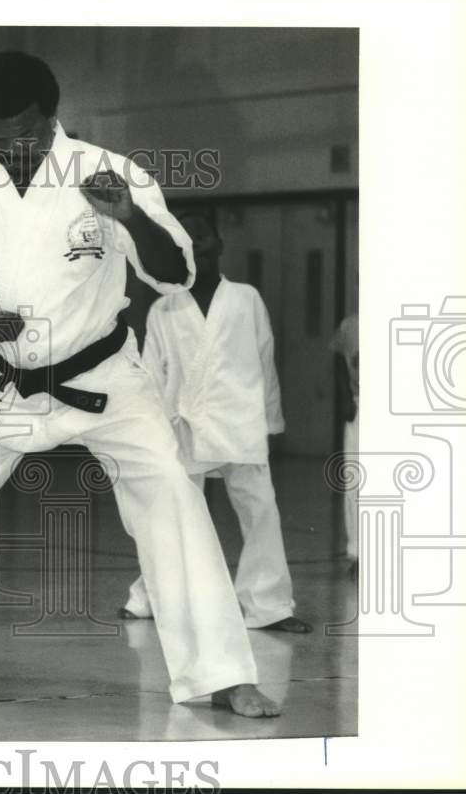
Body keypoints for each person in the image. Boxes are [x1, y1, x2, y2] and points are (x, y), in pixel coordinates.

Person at [0, 51, 279, 717]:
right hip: (3, 377)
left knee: (173, 497)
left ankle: (221, 674)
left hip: (104, 377)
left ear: (53, 116)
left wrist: (132, 218)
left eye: (26, 136)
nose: (13, 151)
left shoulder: (110, 175)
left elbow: (175, 273)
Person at [119, 210, 312, 634]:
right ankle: (149, 597)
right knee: (170, 516)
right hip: (183, 425)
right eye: (185, 240)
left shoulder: (246, 299)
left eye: (202, 237)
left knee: (261, 513)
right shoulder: (164, 308)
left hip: (241, 422)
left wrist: (271, 423)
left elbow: (264, 361)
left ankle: (269, 606)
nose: (196, 245)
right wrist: (150, 430)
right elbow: (151, 374)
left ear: (220, 243)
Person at [330, 313, 359, 578]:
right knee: (355, 480)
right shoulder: (350, 324)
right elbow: (339, 361)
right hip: (359, 405)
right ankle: (358, 552)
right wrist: (346, 398)